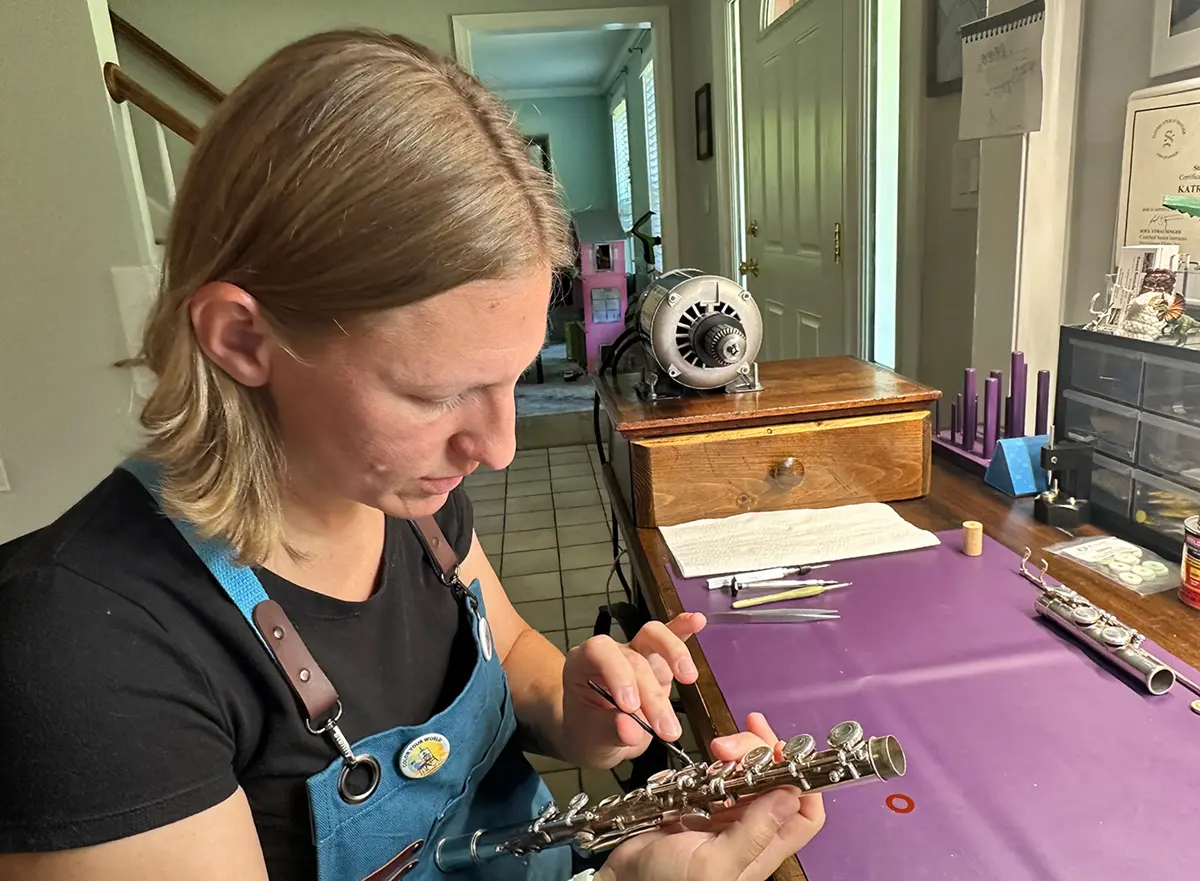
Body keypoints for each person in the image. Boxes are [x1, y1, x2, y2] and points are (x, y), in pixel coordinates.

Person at [0, 30, 824, 881]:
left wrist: (586, 706)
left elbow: (506, 651)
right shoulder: (85, 655)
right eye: (435, 395)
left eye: (510, 379)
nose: (498, 447)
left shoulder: (404, 494)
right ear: (244, 337)